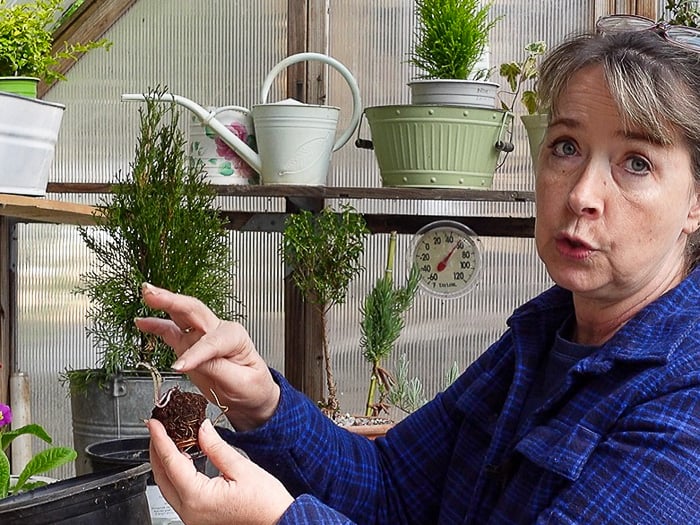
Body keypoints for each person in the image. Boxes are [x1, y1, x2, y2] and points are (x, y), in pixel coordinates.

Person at [137, 17, 700, 524]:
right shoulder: (542, 339)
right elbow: (389, 488)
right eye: (566, 146)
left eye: (636, 163)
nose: (581, 194)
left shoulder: (684, 402)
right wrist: (262, 403)